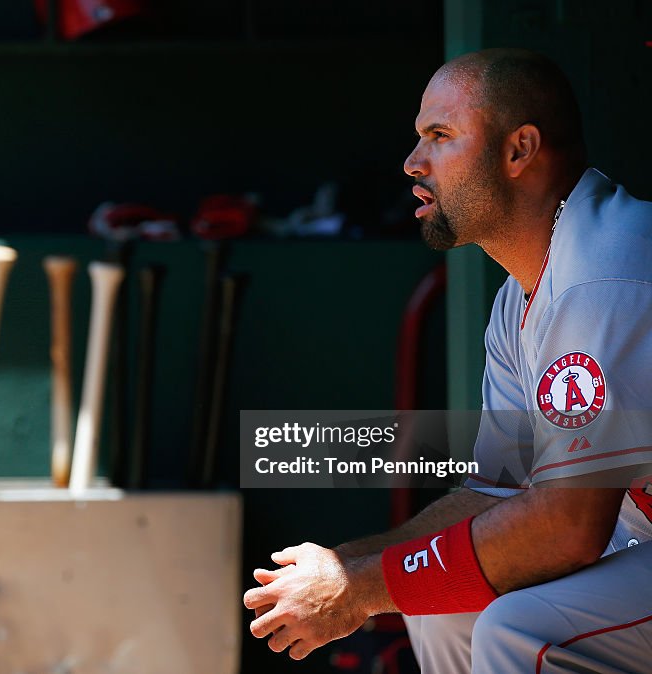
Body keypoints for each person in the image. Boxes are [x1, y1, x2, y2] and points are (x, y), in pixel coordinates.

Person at [243, 48, 652, 673]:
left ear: (519, 150)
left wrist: (358, 591)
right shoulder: (523, 291)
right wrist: (347, 567)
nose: (413, 163)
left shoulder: (600, 273)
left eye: (440, 136)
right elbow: (497, 489)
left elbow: (570, 527)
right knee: (439, 604)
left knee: (523, 631)